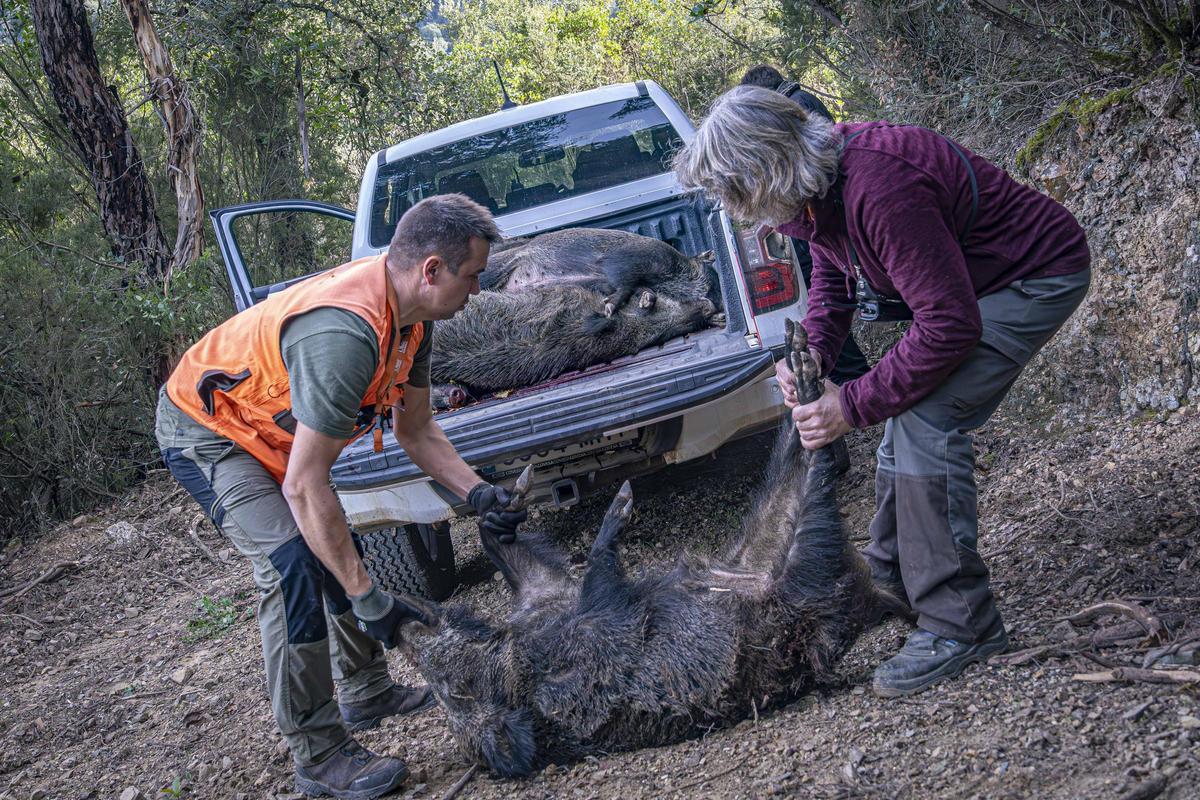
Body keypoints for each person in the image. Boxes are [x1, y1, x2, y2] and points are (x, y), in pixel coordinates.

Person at [675, 87, 1091, 697]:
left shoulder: (881, 187)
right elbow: (834, 283)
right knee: (906, 414)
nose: (744, 214)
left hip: (1033, 276)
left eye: (740, 196)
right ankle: (890, 577)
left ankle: (961, 623)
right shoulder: (816, 192)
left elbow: (949, 327)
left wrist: (850, 403)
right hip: (974, 289)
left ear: (767, 168)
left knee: (926, 415)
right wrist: (812, 350)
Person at [154, 194, 526, 799]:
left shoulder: (412, 322)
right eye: (473, 275)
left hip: (271, 436)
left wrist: (478, 493)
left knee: (331, 544)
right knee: (295, 566)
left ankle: (366, 691)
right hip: (211, 431)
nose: (478, 290)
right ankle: (319, 756)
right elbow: (305, 484)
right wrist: (366, 596)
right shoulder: (345, 335)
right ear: (431, 270)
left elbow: (417, 428)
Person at [738, 65, 871, 384]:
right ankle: (847, 374)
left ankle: (851, 377)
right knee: (825, 293)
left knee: (825, 289)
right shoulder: (802, 98)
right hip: (825, 219)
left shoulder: (798, 106)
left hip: (824, 217)